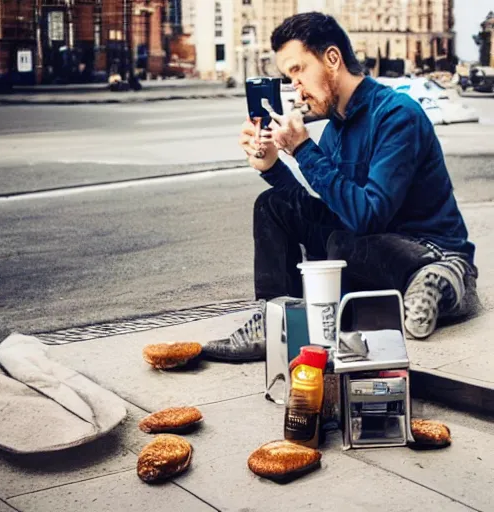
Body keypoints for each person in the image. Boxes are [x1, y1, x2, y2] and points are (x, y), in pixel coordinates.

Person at [203, 12, 479, 362]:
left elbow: (367, 216)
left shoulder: (396, 114)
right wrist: (272, 166)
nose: (295, 87)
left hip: (425, 248)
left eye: (298, 70)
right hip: (367, 248)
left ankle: (449, 279)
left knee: (345, 242)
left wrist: (303, 149)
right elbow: (331, 210)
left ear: (332, 59)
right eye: (289, 76)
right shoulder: (336, 128)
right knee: (273, 204)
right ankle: (277, 321)